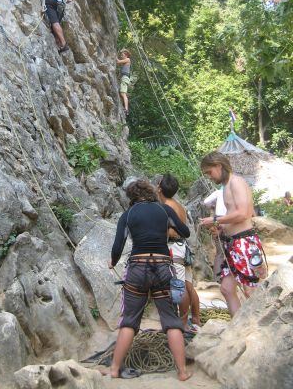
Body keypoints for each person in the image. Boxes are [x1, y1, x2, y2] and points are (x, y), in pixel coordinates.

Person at [103, 179, 191, 381]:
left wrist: (113, 261)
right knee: (171, 319)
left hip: (137, 268)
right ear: (151, 193)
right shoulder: (164, 210)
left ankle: (114, 369)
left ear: (132, 197)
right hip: (163, 266)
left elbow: (118, 244)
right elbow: (185, 232)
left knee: (130, 319)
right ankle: (183, 372)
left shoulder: (129, 214)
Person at [200, 151, 266, 316]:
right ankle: (238, 327)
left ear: (219, 166)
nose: (209, 176)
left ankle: (257, 326)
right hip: (231, 243)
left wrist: (216, 220)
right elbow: (234, 215)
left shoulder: (236, 182)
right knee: (227, 289)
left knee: (251, 290)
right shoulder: (226, 186)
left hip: (244, 243)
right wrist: (222, 228)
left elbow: (244, 213)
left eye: (210, 172)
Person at [157, 173, 201, 332]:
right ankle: (195, 318)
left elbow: (172, 232)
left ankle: (182, 324)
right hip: (182, 247)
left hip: (174, 248)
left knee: (179, 286)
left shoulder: (168, 206)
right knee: (188, 285)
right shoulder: (178, 205)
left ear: (159, 188)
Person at [116, 50, 131, 116]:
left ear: (126, 55)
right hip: (124, 78)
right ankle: (124, 108)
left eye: (122, 55)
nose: (121, 56)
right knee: (122, 94)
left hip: (125, 78)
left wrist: (114, 55)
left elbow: (118, 61)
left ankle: (126, 109)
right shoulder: (125, 62)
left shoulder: (128, 59)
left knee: (123, 93)